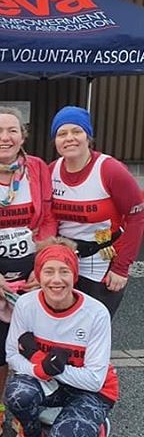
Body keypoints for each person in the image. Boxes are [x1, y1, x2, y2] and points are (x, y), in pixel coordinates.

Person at [0, 107, 57, 437]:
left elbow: (47, 217)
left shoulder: (38, 170)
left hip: (31, 270)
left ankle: (25, 405)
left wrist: (41, 265)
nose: (5, 138)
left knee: (30, 343)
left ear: (23, 135)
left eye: (12, 131)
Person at [5, 238, 118, 437]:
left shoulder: (96, 313)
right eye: (48, 271)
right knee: (18, 393)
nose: (56, 280)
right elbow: (12, 355)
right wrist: (42, 368)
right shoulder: (26, 305)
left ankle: (97, 429)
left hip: (92, 391)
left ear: (74, 275)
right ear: (38, 274)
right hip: (50, 381)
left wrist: (43, 362)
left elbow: (95, 380)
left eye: (64, 271)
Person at [50, 106, 144, 317]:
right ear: (55, 141)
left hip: (103, 258)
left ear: (88, 136)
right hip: (65, 258)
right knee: (61, 325)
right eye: (62, 134)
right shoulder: (51, 170)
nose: (69, 138)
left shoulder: (111, 170)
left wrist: (121, 268)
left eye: (76, 131)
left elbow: (136, 218)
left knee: (93, 328)